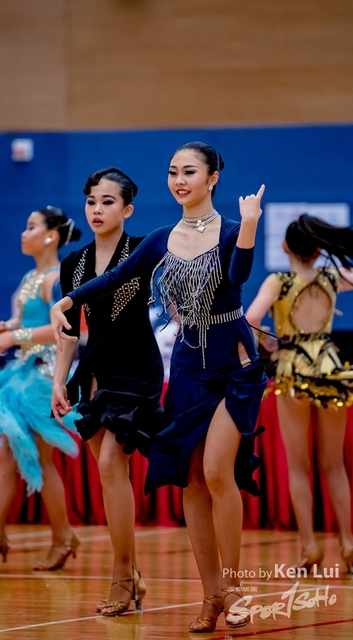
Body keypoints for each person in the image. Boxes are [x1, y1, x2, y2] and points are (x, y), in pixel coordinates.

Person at [51, 142, 266, 632]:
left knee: (217, 470)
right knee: (192, 479)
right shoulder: (161, 239)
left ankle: (235, 588)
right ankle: (211, 595)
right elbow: (117, 276)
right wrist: (68, 300)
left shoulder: (232, 231)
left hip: (232, 362)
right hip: (188, 365)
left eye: (189, 172)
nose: (179, 181)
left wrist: (251, 227)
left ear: (212, 178)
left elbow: (238, 277)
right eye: (172, 172)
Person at [51, 168, 163, 617]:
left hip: (138, 370)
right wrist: (59, 380)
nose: (97, 209)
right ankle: (130, 572)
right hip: (94, 371)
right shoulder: (72, 264)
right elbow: (68, 332)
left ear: (128, 209)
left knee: (113, 465)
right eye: (91, 201)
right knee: (109, 473)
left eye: (108, 201)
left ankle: (121, 575)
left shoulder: (144, 251)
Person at [0, 206, 82, 572]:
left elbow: (62, 328)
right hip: (22, 375)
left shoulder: (56, 278)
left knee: (40, 458)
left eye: (31, 227)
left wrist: (14, 336)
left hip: (45, 377)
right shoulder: (28, 277)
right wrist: (8, 326)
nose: (23, 233)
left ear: (51, 235)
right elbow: (23, 318)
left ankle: (60, 537)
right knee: (9, 455)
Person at [246, 214, 353, 574]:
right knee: (334, 465)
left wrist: (268, 345)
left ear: (284, 247)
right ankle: (349, 544)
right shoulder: (332, 277)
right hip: (330, 367)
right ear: (319, 250)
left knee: (298, 466)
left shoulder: (278, 281)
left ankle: (309, 547)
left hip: (293, 369)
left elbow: (251, 317)